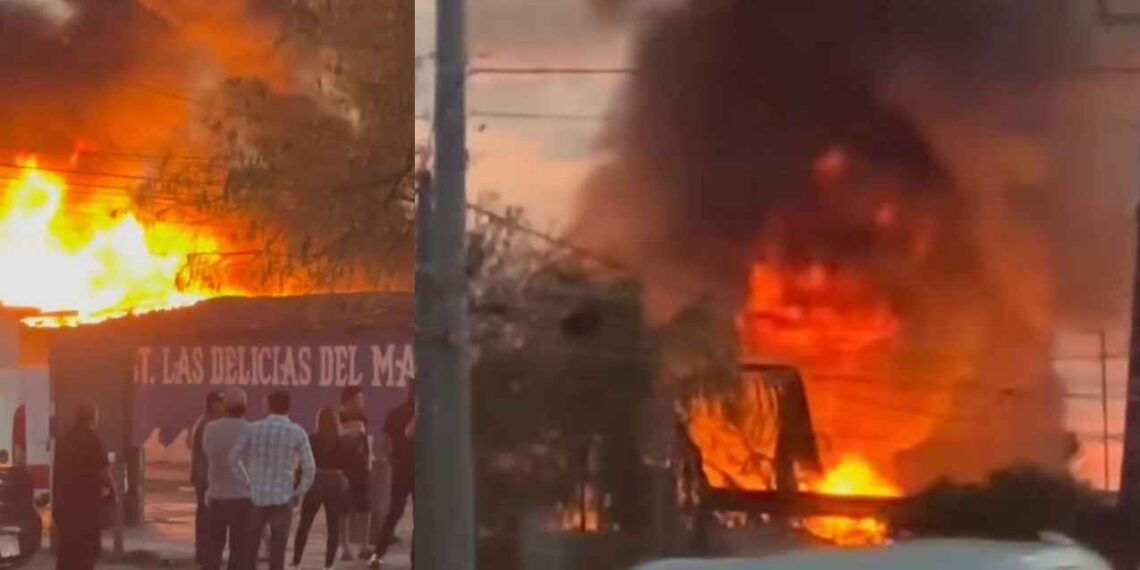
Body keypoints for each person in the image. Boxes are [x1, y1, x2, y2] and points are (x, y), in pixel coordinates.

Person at [229, 390, 315, 570]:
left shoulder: (253, 428)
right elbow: (309, 468)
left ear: (268, 405)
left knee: (250, 549)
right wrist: (298, 493)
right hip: (283, 498)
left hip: (257, 497)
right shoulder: (297, 432)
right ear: (289, 407)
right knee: (277, 553)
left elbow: (233, 459)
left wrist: (248, 482)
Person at [52, 404, 116, 570]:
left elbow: (57, 475)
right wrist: (113, 492)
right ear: (93, 418)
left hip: (65, 506)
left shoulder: (64, 440)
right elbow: (104, 473)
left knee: (66, 551)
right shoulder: (93, 440)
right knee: (85, 553)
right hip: (86, 509)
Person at [292, 407, 351, 569]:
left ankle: (296, 560)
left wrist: (296, 486)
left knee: (304, 524)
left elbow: (302, 464)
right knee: (333, 528)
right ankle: (329, 564)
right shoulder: (341, 441)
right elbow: (347, 466)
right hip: (334, 487)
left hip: (314, 484)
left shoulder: (311, 439)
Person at [201, 388, 252, 570]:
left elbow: (207, 453)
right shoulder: (250, 430)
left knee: (214, 546)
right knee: (239, 548)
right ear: (245, 407)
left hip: (216, 495)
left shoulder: (211, 428)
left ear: (225, 406)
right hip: (243, 497)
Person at [370, 388, 414, 569]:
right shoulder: (429, 414)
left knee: (393, 514)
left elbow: (386, 444)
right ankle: (415, 561)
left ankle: (377, 555)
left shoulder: (395, 413)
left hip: (400, 470)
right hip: (421, 472)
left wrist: (392, 460)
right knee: (421, 517)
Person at [191, 390, 225, 564]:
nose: (223, 406)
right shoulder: (206, 424)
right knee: (206, 517)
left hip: (204, 475)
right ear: (212, 404)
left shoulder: (206, 422)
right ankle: (204, 554)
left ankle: (203, 553)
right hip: (205, 477)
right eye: (220, 402)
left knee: (205, 517)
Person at [338, 386, 372, 560]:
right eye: (359, 399)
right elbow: (341, 442)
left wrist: (368, 462)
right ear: (350, 400)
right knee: (342, 510)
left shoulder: (362, 417)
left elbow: (363, 443)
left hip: (361, 470)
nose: (362, 402)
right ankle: (344, 548)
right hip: (343, 470)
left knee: (364, 508)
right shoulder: (338, 416)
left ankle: (364, 546)